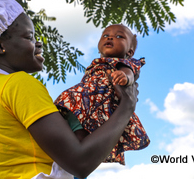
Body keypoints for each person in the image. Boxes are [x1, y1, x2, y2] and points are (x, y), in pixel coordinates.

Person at [0, 0, 140, 179]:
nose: (38, 44)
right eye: (29, 37)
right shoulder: (18, 83)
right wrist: (127, 106)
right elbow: (80, 162)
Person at [54, 24, 150, 165]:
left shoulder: (123, 63)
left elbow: (130, 73)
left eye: (119, 36)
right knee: (61, 139)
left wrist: (125, 77)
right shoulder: (96, 64)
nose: (110, 37)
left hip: (97, 112)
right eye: (106, 35)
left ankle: (75, 166)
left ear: (129, 52)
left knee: (80, 142)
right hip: (77, 108)